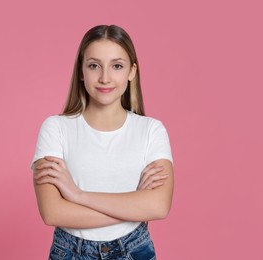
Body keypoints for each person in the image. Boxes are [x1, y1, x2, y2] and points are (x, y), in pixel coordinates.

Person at [31, 24, 174, 260]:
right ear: (81, 70)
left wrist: (77, 195)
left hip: (134, 250)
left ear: (131, 72)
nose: (105, 77)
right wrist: (133, 206)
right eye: (94, 65)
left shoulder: (151, 130)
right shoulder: (56, 128)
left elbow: (159, 206)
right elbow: (52, 212)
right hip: (70, 252)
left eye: (117, 66)